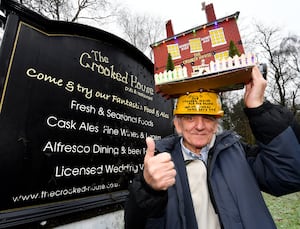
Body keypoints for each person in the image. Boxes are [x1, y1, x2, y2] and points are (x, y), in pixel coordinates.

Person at [124, 66, 300, 229]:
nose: (200, 126)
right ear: (177, 125)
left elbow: (290, 175)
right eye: (190, 118)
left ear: (216, 124)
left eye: (208, 117)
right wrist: (148, 189)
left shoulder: (239, 153)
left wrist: (259, 109)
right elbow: (136, 225)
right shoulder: (160, 165)